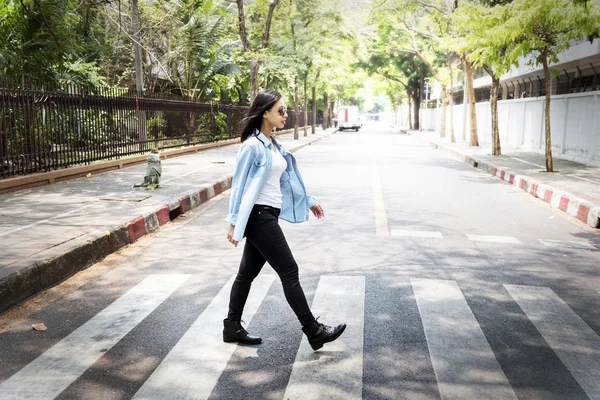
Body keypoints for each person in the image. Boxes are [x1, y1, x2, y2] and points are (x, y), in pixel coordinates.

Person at [223, 90, 346, 351]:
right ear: (265, 112)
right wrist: (233, 222)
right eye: (280, 110)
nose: (285, 115)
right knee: (289, 270)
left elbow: (287, 181)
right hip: (259, 216)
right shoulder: (252, 146)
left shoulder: (274, 145)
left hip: (268, 214)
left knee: (246, 274)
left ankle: (231, 325)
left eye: (285, 110)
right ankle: (313, 330)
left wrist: (309, 200)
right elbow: (239, 185)